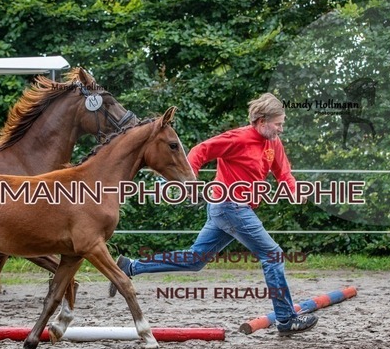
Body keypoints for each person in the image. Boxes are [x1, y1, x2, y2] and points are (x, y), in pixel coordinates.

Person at [114, 93, 318, 336]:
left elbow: (283, 172)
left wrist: (293, 190)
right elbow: (201, 150)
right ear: (262, 121)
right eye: (278, 124)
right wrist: (190, 182)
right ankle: (286, 319)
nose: (281, 129)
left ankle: (130, 267)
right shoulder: (238, 138)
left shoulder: (273, 142)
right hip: (231, 206)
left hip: (229, 209)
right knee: (273, 255)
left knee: (195, 259)